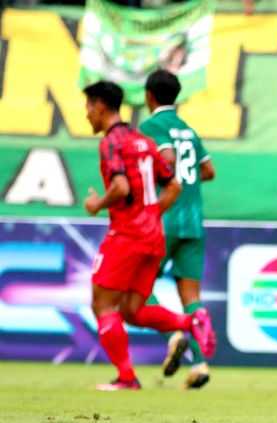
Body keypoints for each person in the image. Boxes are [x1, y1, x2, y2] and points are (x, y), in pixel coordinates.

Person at [83, 80, 216, 391]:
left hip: (127, 234)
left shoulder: (114, 142)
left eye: (88, 107)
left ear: (101, 106)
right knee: (132, 310)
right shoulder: (141, 139)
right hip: (156, 234)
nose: (86, 114)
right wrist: (151, 215)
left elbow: (121, 188)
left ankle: (127, 378)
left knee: (103, 304)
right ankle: (190, 323)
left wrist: (96, 205)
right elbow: (175, 183)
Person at [139, 69, 216, 389]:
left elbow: (166, 163)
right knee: (191, 295)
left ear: (149, 96)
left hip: (165, 216)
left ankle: (174, 336)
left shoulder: (150, 126)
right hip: (194, 220)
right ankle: (200, 363)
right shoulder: (189, 130)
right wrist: (190, 179)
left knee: (138, 287)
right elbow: (209, 171)